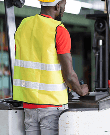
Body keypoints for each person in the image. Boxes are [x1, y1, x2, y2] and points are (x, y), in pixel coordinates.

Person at [13, 0, 89, 134]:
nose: (64, 8)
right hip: (52, 106)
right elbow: (69, 75)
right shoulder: (58, 30)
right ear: (57, 5)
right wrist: (80, 90)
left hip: (29, 105)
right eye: (64, 4)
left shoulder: (23, 25)